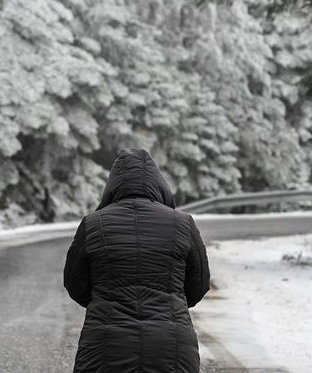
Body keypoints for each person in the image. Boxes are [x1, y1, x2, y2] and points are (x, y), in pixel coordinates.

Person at [63, 148, 210, 373]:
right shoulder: (182, 223)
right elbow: (199, 283)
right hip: (171, 342)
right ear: (159, 184)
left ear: (112, 186)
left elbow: (75, 282)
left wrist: (104, 302)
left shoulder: (93, 224)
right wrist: (172, 304)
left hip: (106, 342)